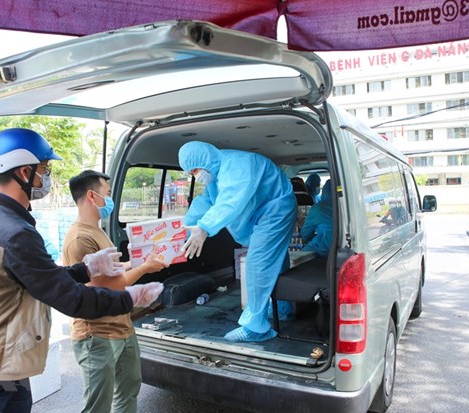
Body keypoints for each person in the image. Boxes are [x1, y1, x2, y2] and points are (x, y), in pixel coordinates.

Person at [0, 128, 151, 412]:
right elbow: (70, 299)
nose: (47, 178)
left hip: (1, 369)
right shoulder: (13, 232)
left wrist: (85, 268)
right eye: (45, 169)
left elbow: (38, 280)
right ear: (24, 172)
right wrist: (130, 298)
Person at [62, 170, 167, 413]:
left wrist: (141, 262)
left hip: (121, 327)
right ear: (92, 195)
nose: (110, 200)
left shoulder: (96, 229)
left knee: (128, 391)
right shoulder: (79, 238)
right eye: (107, 194)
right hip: (96, 334)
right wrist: (144, 268)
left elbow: (111, 270)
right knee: (99, 405)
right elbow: (104, 287)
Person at [178, 141, 297, 343]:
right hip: (261, 213)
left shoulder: (237, 164)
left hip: (276, 210)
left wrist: (204, 227)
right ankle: (283, 307)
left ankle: (256, 328)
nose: (195, 176)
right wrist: (184, 229)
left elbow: (230, 201)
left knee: (257, 262)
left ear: (204, 159)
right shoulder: (215, 175)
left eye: (195, 170)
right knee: (273, 260)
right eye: (190, 173)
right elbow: (206, 202)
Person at [300, 179, 333, 256]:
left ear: (324, 191)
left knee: (302, 254)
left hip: (324, 246)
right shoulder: (346, 206)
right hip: (344, 243)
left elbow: (305, 234)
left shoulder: (318, 208)